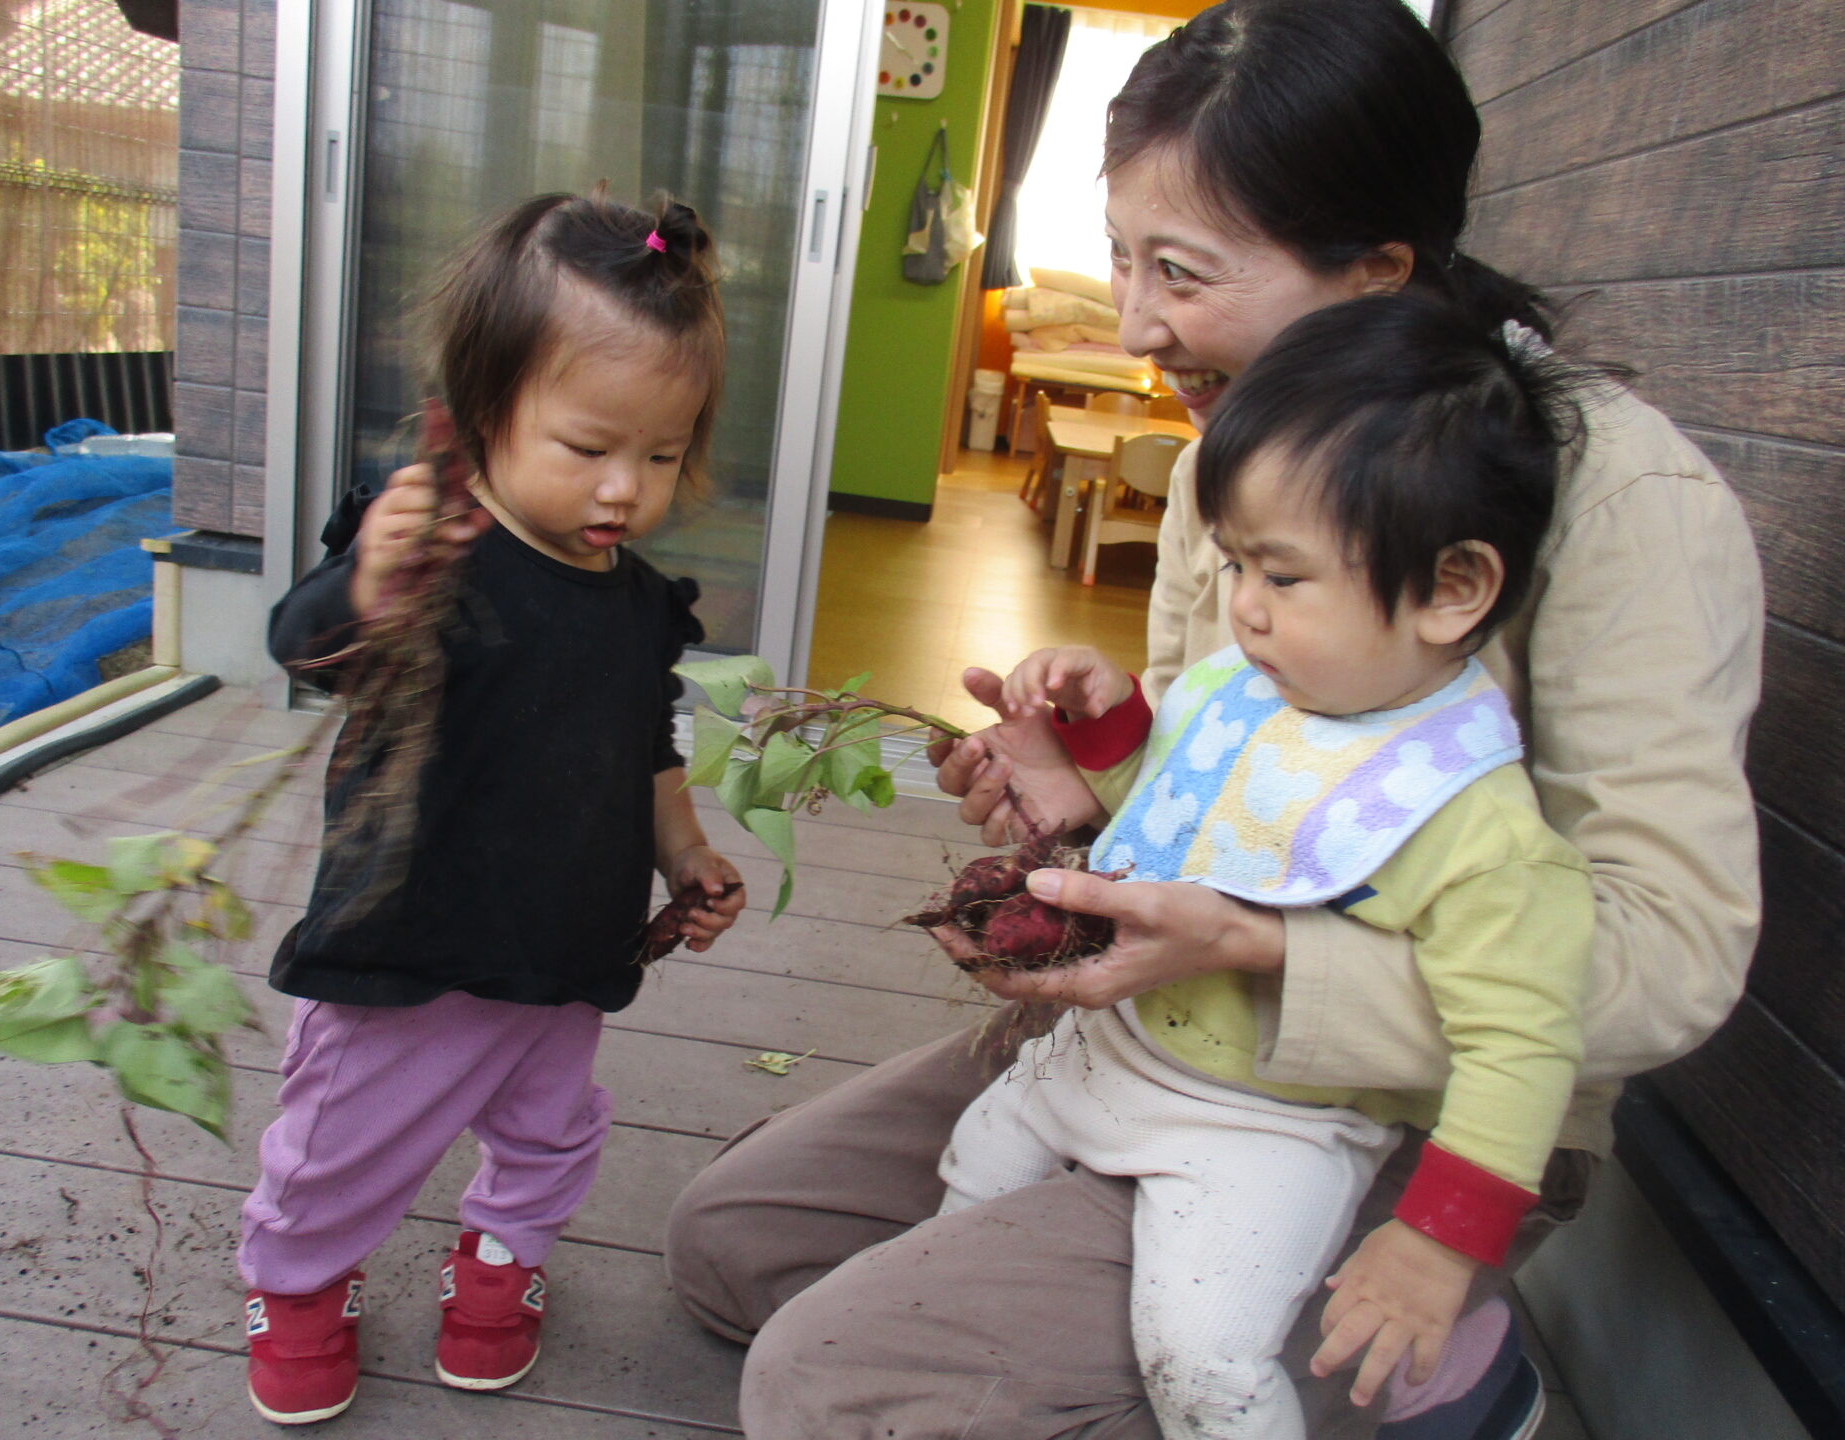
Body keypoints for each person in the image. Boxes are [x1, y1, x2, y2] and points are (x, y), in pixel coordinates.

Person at [663, 3, 1762, 1438]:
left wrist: (1268, 953)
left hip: (1399, 1112)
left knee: (825, 1387)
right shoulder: (1226, 464)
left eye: (1179, 272)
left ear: (1375, 276)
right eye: (1121, 257)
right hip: (1154, 1034)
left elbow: (1671, 957)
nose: (1135, 324)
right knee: (735, 1248)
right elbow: (1225, 773)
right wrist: (1084, 805)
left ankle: (1438, 1372)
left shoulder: (1619, 500)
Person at [940, 293, 1592, 1440]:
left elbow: (1522, 1047)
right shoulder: (1260, 689)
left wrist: (1440, 1244)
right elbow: (1185, 815)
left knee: (1202, 1357)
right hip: (1111, 1045)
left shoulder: (1470, 819)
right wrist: (1109, 731)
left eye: (1281, 578)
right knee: (967, 1174)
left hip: (1268, 1132)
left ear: (1453, 588)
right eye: (1236, 563)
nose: (1241, 609)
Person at [238, 189, 748, 1426]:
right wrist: (370, 580)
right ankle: (296, 1284)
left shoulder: (640, 603)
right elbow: (304, 647)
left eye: (662, 455)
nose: (625, 488)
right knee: (344, 1137)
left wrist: (683, 849)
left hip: (565, 940)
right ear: (483, 414)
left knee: (550, 1130)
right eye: (588, 447)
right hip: (411, 938)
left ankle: (499, 1269)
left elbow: (646, 740)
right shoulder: (433, 553)